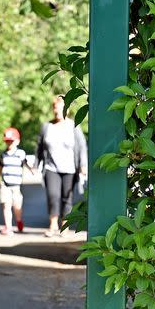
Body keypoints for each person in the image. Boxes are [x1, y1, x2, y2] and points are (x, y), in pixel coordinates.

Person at [36, 95, 87, 237]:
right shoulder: (47, 126)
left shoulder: (74, 126)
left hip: (70, 168)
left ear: (66, 109)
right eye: (55, 108)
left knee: (67, 197)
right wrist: (36, 163)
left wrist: (83, 165)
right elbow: (39, 147)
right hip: (51, 167)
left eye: (59, 108)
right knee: (53, 195)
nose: (56, 111)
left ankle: (64, 227)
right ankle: (52, 225)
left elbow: (82, 146)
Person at [0, 127, 33, 235]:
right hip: (5, 184)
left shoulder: (20, 153)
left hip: (16, 185)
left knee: (17, 206)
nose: (9, 143)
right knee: (6, 205)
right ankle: (8, 227)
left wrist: (32, 170)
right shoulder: (3, 154)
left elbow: (26, 163)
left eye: (11, 141)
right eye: (7, 141)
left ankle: (19, 220)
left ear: (17, 141)